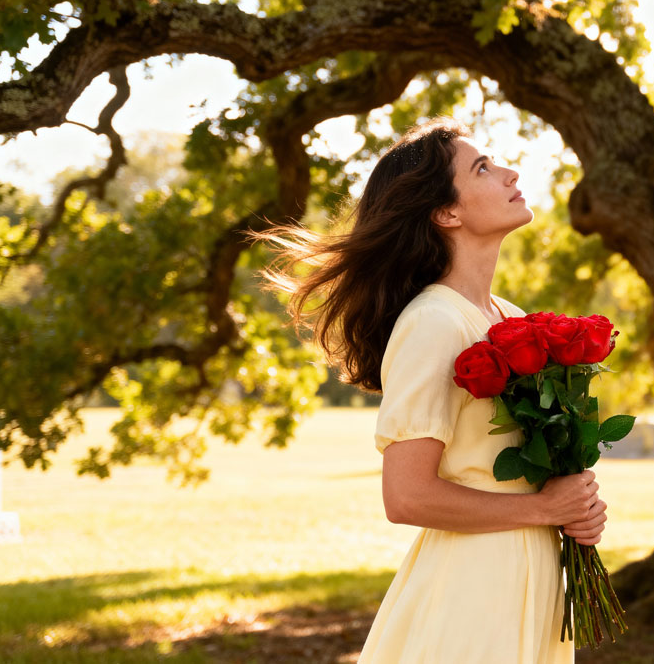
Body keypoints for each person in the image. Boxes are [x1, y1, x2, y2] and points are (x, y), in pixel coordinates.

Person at [251, 116, 606, 662]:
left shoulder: (508, 317)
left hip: (532, 577)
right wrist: (543, 510)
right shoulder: (434, 322)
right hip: (475, 587)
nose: (511, 172)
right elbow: (407, 495)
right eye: (483, 168)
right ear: (447, 212)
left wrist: (574, 503)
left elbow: (521, 465)